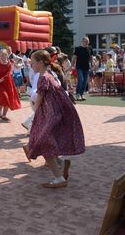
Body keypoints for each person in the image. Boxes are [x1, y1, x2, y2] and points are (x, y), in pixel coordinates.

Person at [27, 50, 85, 188]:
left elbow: (39, 99)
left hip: (50, 115)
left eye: (33, 62)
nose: (31, 65)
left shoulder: (43, 77)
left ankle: (59, 177)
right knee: (47, 144)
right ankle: (60, 166)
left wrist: (35, 110)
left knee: (44, 145)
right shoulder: (50, 75)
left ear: (40, 63)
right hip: (54, 114)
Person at [0, 49, 21, 121]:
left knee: (8, 98)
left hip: (8, 83)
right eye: (1, 55)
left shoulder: (9, 63)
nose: (3, 57)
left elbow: (7, 75)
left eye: (4, 55)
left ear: (7, 55)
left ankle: (4, 115)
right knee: (4, 96)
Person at [71, 37, 93, 101]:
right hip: (79, 67)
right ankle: (78, 94)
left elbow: (91, 57)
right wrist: (72, 66)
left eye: (87, 41)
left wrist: (92, 64)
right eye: (85, 41)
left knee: (85, 81)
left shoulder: (90, 48)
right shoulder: (78, 48)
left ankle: (82, 94)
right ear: (82, 41)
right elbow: (74, 57)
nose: (86, 42)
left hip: (86, 67)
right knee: (81, 79)